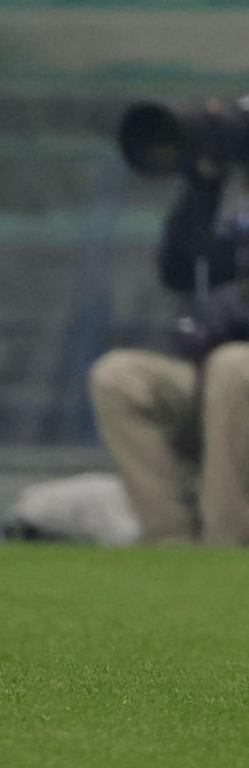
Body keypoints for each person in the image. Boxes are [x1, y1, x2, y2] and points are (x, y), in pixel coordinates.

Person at [89, 149, 249, 544]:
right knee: (118, 377)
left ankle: (225, 544)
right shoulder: (238, 214)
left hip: (234, 371)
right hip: (216, 377)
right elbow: (180, 268)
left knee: (231, 366)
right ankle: (172, 544)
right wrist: (204, 182)